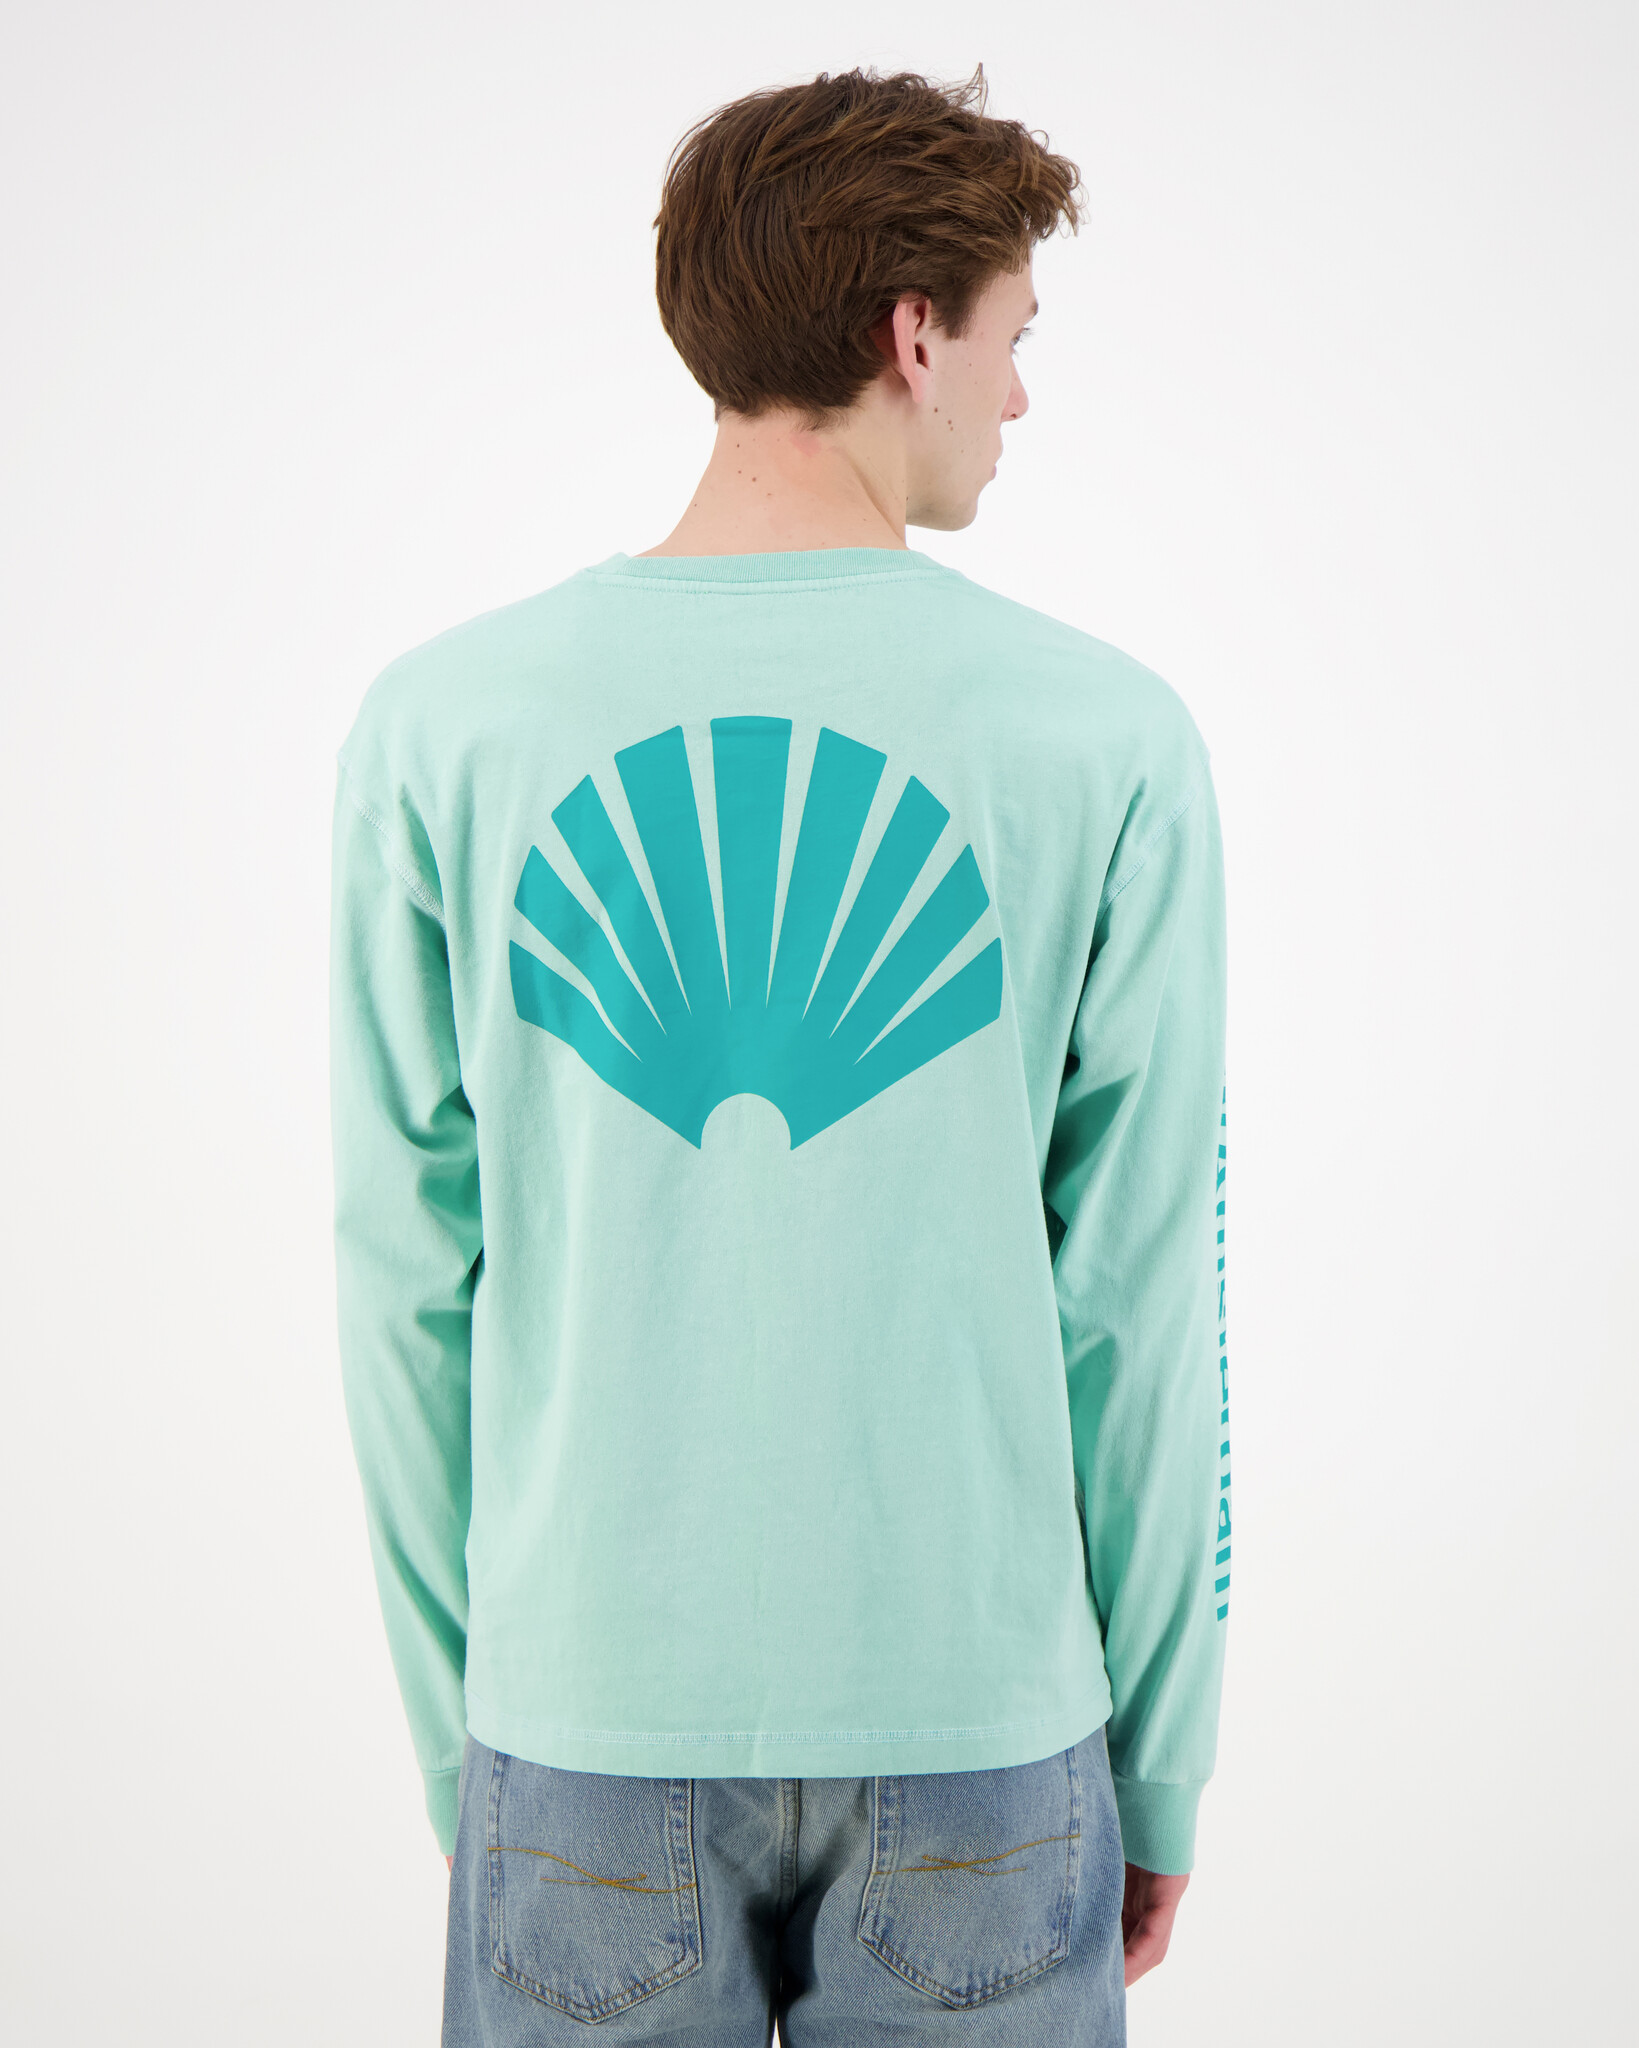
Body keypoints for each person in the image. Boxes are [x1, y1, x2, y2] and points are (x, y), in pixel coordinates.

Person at [329, 62, 1231, 2047]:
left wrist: (473, 1746)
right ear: (914, 334)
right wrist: (1162, 1761)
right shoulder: (1103, 739)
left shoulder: (441, 728)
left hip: (575, 1727)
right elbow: (1140, 1303)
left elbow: (404, 1283)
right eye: (1013, 339)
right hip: (986, 1733)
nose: (1019, 398)